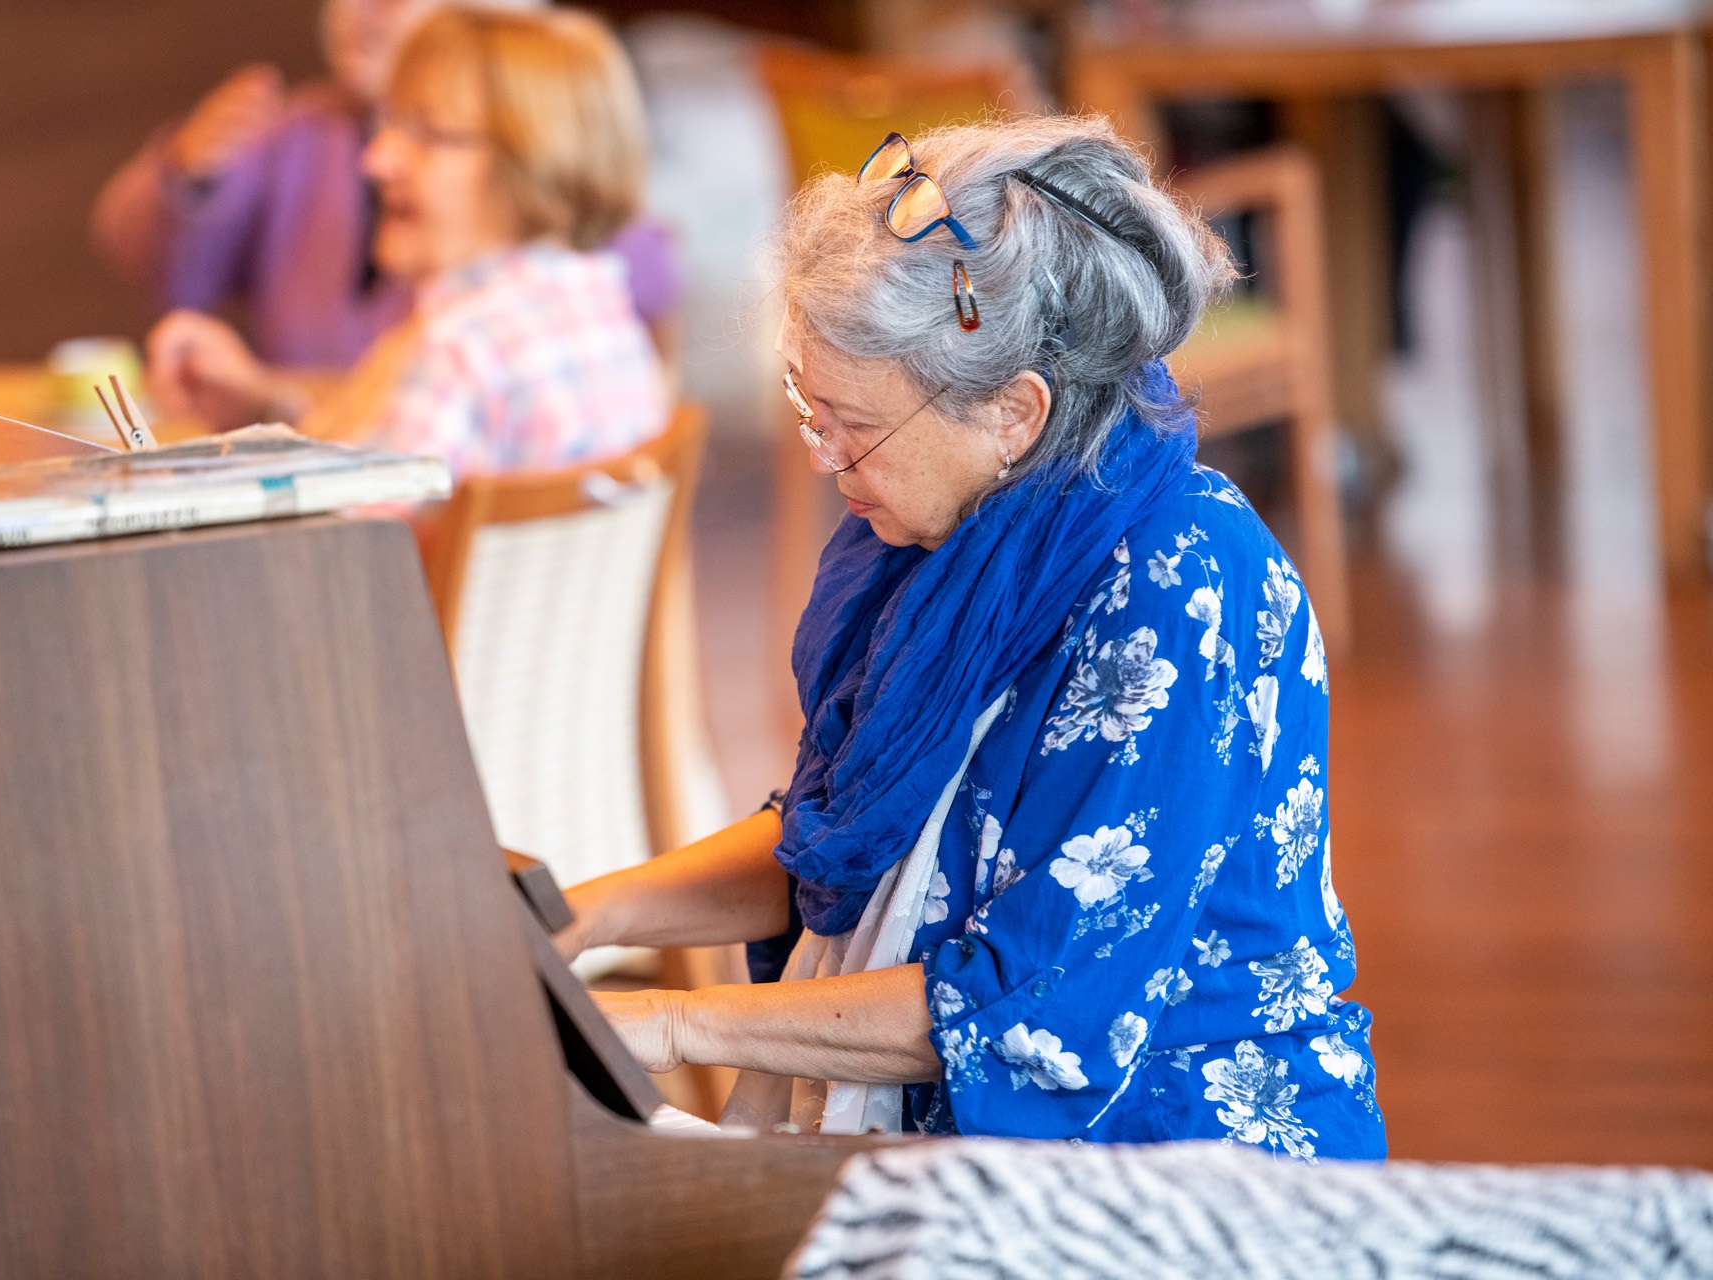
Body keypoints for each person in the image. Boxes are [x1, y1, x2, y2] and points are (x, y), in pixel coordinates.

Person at [559, 116, 1387, 1159]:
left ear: (1014, 411)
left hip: (1177, 1159)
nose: (823, 456)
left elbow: (1034, 1009)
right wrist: (585, 917)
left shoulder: (1183, 581)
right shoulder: (938, 534)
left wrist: (675, 1020)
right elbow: (838, 835)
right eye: (805, 407)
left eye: (851, 424)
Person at [144, 6, 667, 476]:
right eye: (389, 127)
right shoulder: (602, 317)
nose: (377, 161)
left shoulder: (458, 351)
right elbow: (391, 458)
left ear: (534, 163)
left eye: (431, 134)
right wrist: (265, 405)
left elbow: (352, 535)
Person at [93, 0, 679, 369]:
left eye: (433, 133)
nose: (382, 161)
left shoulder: (471, 348)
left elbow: (634, 259)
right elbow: (164, 266)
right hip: (336, 429)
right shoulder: (295, 134)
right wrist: (192, 177)